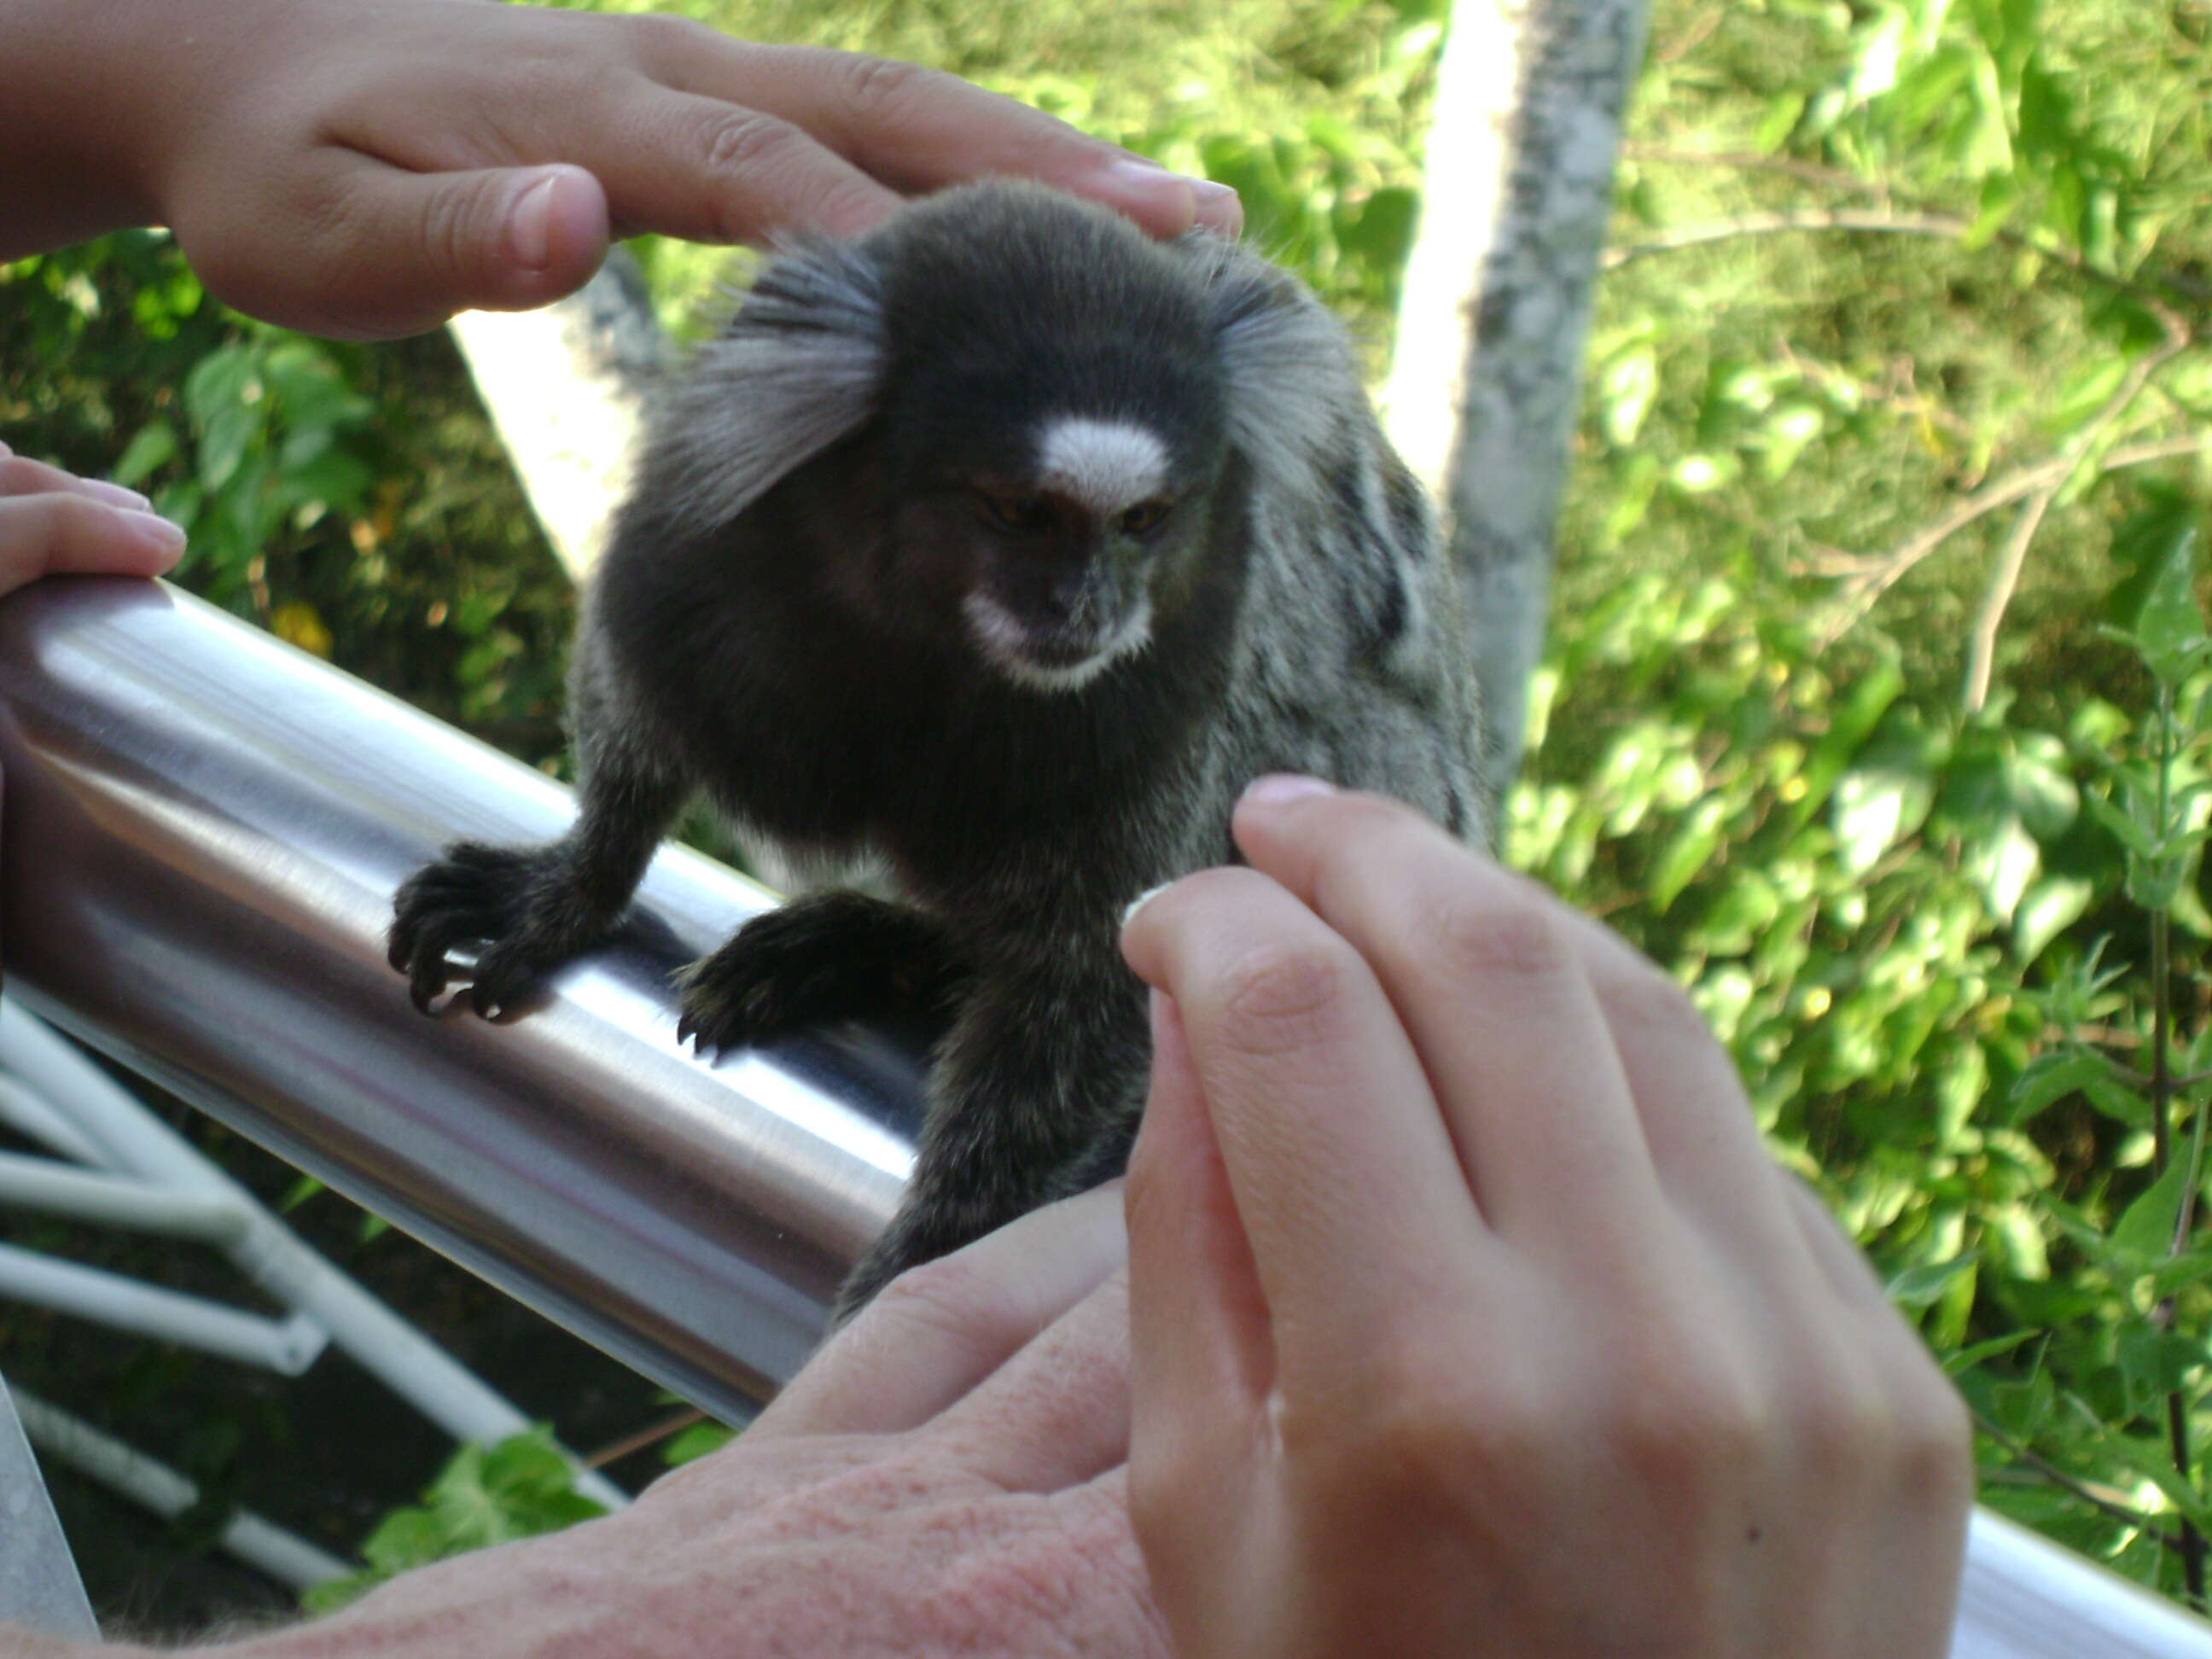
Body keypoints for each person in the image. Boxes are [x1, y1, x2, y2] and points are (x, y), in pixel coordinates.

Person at [0, 3, 1976, 1654]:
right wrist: (585, 878)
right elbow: (645, 686)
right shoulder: (727, 554)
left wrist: (127, 63)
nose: (1094, 597)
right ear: (842, 468)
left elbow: (1101, 990)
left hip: (1229, 858)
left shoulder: (1183, 653)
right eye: (1027, 523)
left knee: (1099, 938)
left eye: (1136, 537)